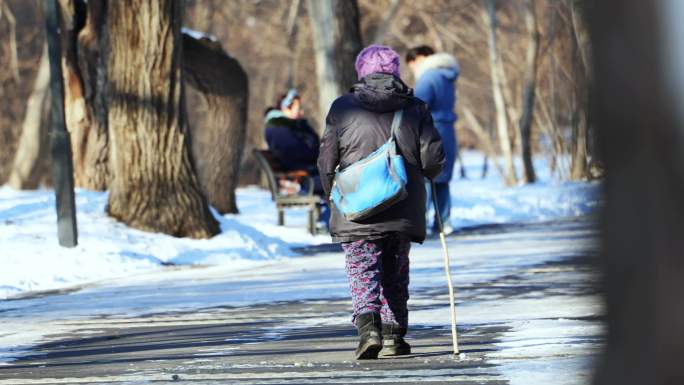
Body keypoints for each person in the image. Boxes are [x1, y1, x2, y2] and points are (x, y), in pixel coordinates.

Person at [318, 45, 445, 359]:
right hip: (402, 204)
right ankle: (393, 336)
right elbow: (433, 160)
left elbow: (326, 160)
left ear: (362, 71)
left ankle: (368, 327)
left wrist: (330, 192)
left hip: (357, 205)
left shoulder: (342, 107)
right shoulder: (415, 107)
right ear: (395, 72)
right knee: (395, 269)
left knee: (363, 267)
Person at [406, 45, 460, 234]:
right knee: (442, 178)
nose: (412, 68)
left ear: (420, 58)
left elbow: (416, 105)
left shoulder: (428, 77)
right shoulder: (446, 75)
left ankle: (422, 220)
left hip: (431, 131)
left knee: (425, 177)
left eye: (411, 63)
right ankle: (442, 221)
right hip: (447, 129)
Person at [264, 90, 330, 228]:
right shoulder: (278, 129)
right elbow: (302, 152)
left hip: (307, 174)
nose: (302, 112)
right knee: (338, 181)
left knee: (340, 179)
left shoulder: (292, 126)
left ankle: (329, 220)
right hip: (300, 179)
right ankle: (328, 221)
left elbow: (314, 147)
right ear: (286, 108)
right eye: (298, 108)